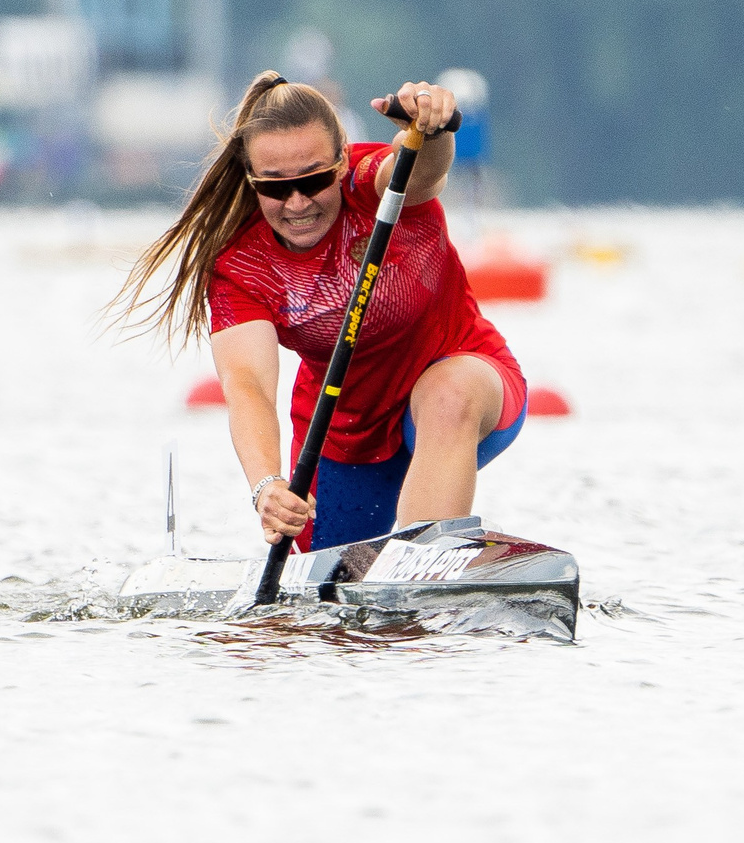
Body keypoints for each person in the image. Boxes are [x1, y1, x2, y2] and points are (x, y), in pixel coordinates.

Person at [114, 70, 526, 551]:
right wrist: (266, 485)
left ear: (339, 164)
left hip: (464, 379)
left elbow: (422, 169)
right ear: (252, 183)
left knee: (446, 395)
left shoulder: (374, 186)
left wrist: (432, 131)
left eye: (313, 180)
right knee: (320, 602)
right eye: (274, 188)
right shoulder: (239, 263)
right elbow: (248, 388)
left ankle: (425, 562)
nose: (296, 203)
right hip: (343, 435)